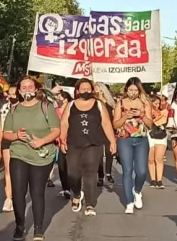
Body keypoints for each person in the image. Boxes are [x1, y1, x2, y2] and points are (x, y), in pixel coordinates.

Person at [2, 76, 60, 241]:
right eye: (24, 87)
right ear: (19, 91)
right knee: (18, 192)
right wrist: (16, 136)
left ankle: (38, 228)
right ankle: (20, 226)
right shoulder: (13, 110)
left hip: (42, 155)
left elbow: (56, 130)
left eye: (30, 87)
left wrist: (41, 141)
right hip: (19, 153)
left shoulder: (46, 107)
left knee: (37, 192)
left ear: (36, 89)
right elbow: (5, 134)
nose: (27, 90)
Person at [60, 79, 116, 216]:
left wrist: (113, 141)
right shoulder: (71, 105)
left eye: (88, 88)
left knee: (90, 174)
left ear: (92, 90)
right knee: (72, 173)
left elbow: (107, 124)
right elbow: (64, 123)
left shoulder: (99, 105)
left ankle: (90, 204)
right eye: (82, 88)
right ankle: (77, 194)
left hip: (94, 144)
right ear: (78, 91)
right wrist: (62, 139)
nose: (86, 91)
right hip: (73, 144)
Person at [112, 77, 153, 214]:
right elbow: (115, 124)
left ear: (139, 90)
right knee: (127, 170)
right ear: (126, 89)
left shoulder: (145, 103)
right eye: (130, 90)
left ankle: (137, 190)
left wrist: (141, 115)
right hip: (125, 139)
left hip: (141, 139)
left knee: (141, 171)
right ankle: (129, 202)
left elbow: (150, 124)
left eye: (136, 90)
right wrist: (125, 116)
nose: (133, 92)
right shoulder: (121, 103)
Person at [0, 86, 19, 211]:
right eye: (9, 93)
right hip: (7, 140)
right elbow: (1, 125)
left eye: (13, 93)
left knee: (20, 171)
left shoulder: (24, 107)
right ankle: (8, 198)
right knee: (8, 169)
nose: (11, 96)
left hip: (21, 140)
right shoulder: (5, 107)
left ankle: (18, 195)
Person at [55, 91, 73, 199]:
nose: (58, 99)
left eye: (60, 97)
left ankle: (73, 187)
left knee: (71, 166)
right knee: (61, 166)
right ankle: (65, 188)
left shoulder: (72, 110)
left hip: (71, 141)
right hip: (59, 141)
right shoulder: (55, 111)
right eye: (57, 97)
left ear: (66, 99)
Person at [147, 95, 169, 188]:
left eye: (159, 103)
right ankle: (153, 179)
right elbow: (149, 123)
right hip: (149, 135)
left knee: (159, 159)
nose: (157, 105)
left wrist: (163, 116)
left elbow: (165, 121)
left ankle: (159, 180)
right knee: (151, 159)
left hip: (160, 135)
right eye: (155, 103)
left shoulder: (163, 111)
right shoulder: (147, 112)